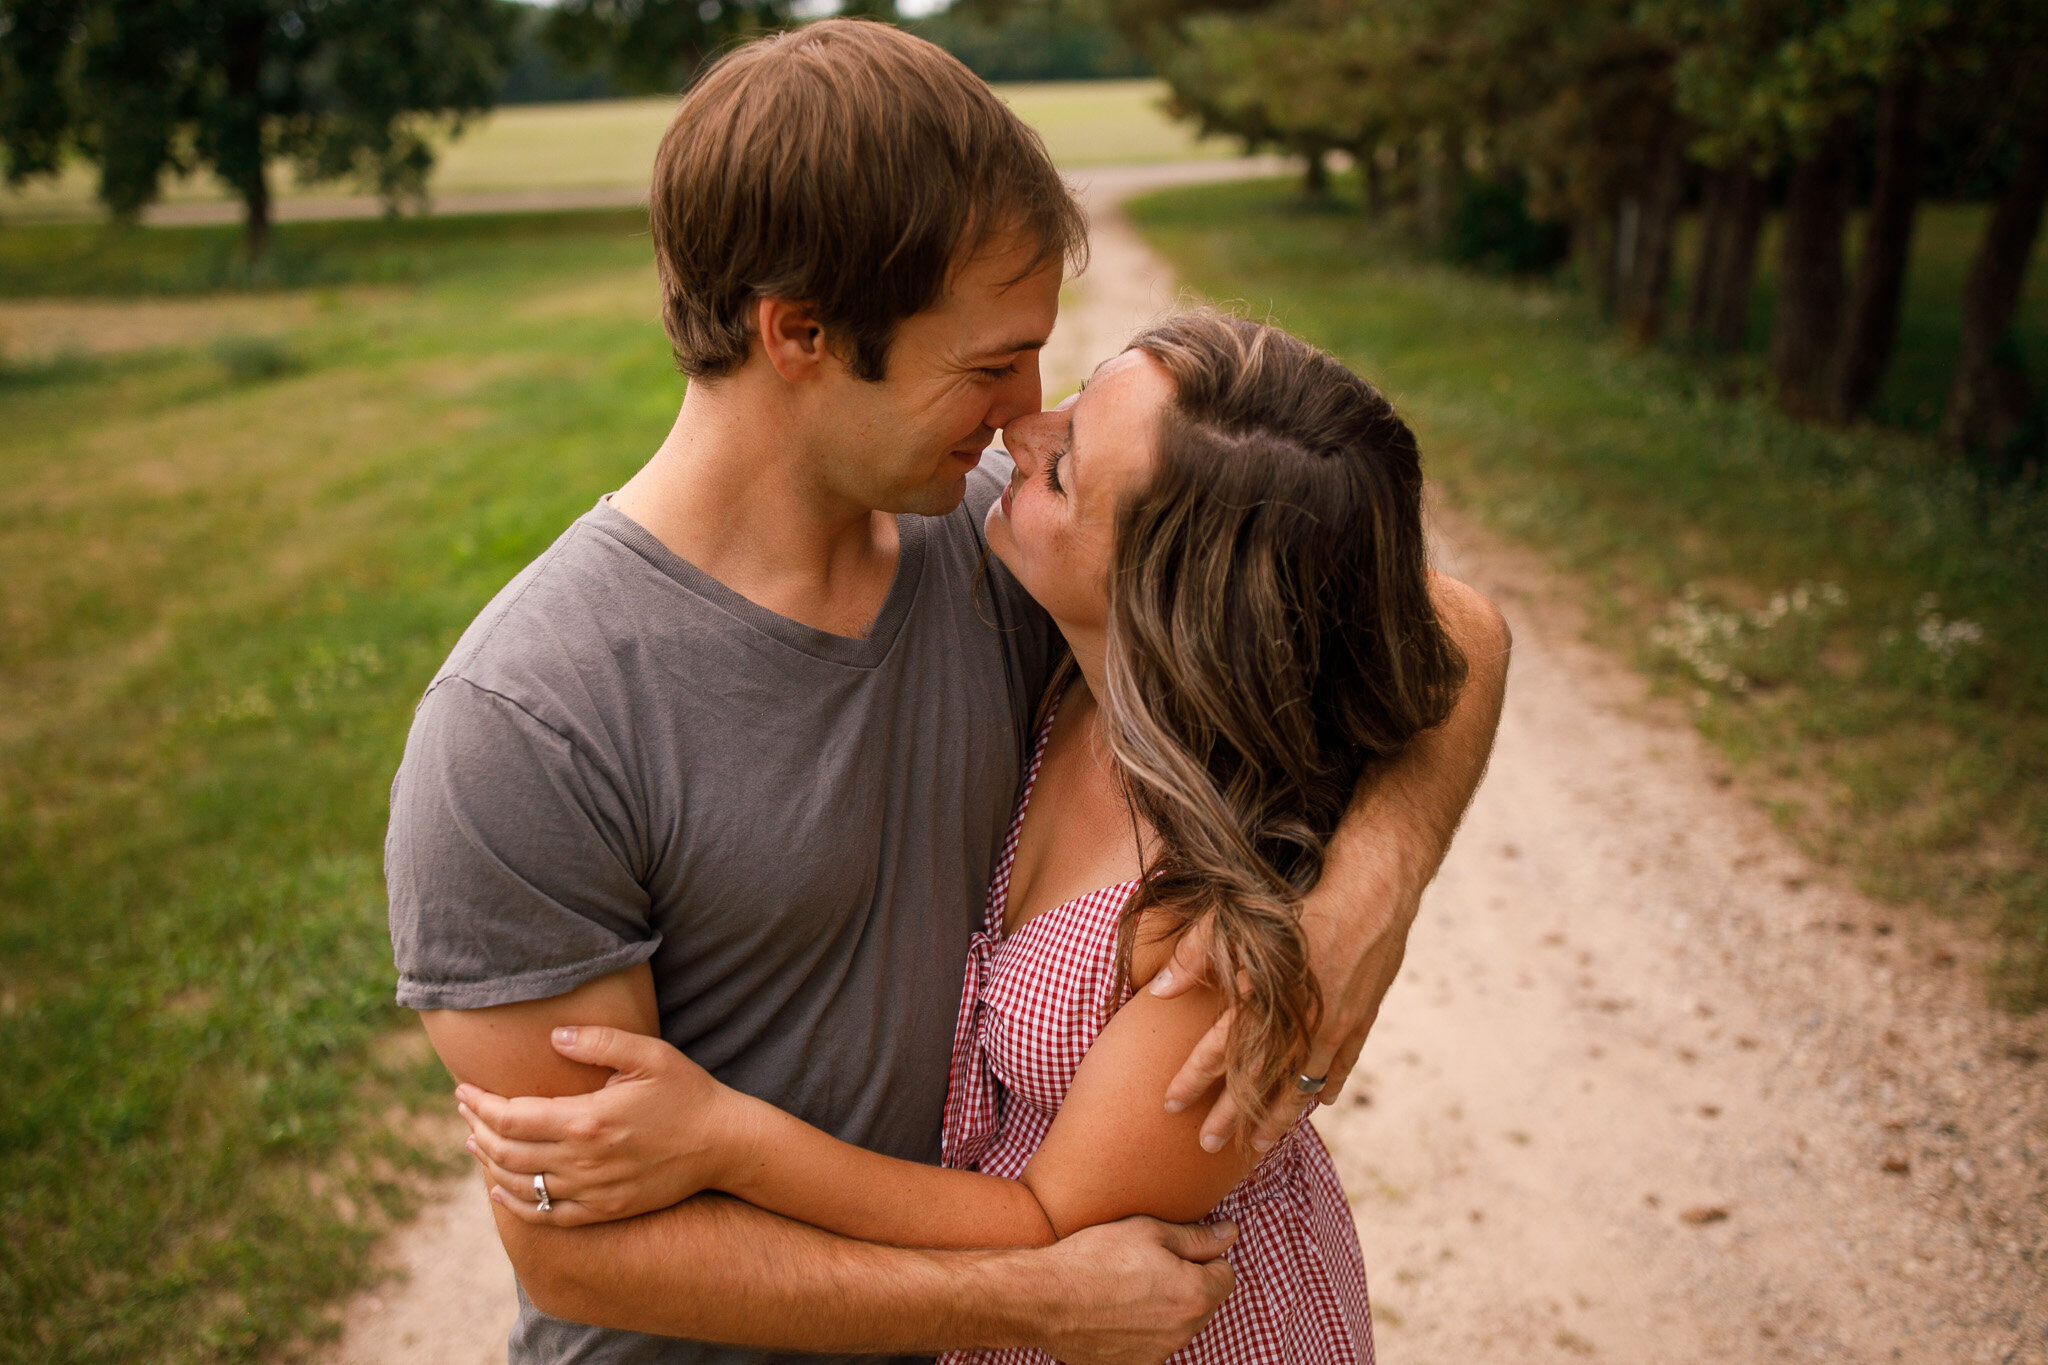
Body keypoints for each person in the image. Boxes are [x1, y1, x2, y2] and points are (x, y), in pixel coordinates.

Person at [385, 19, 1509, 1365]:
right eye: (986, 366)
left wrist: (1364, 894)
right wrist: (1026, 1300)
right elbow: (574, 1234)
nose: (1026, 411)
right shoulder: (528, 723)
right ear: (799, 331)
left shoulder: (1001, 547)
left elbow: (1444, 620)